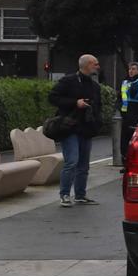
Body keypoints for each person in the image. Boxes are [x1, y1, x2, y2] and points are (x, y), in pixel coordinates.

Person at [48, 54, 104, 208]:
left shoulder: (95, 86)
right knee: (72, 161)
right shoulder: (68, 81)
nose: (98, 67)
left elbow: (98, 106)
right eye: (95, 64)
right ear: (87, 65)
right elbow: (53, 97)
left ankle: (80, 195)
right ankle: (65, 194)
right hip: (70, 128)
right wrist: (75, 103)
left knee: (84, 165)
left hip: (87, 128)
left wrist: (97, 122)